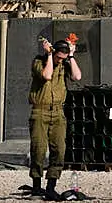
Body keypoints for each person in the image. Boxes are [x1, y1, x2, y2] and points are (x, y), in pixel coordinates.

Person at [28, 38, 82, 200]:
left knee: (59, 149)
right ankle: (36, 186)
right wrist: (50, 56)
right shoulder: (40, 62)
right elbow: (47, 75)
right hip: (40, 111)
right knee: (38, 149)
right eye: (59, 57)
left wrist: (71, 56)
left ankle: (51, 186)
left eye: (62, 58)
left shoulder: (65, 64)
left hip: (58, 112)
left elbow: (77, 76)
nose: (61, 60)